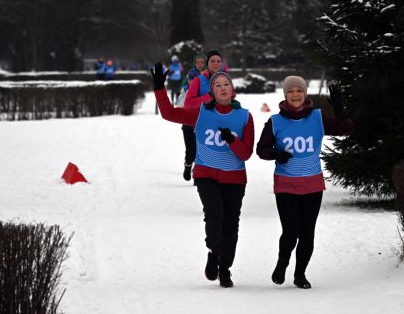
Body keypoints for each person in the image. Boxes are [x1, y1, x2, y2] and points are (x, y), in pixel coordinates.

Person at [151, 62, 254, 288]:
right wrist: (160, 88)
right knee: (215, 215)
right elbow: (169, 113)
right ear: (212, 92)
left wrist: (231, 140)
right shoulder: (201, 114)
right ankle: (214, 252)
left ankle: (225, 269)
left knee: (231, 225)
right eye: (217, 85)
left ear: (232, 90)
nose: (223, 88)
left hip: (234, 178)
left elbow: (246, 153)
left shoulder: (245, 117)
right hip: (206, 174)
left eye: (226, 84)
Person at [256, 76, 353, 289]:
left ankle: (300, 274)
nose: (295, 95)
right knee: (291, 231)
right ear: (285, 95)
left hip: (312, 184)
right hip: (286, 184)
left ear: (305, 93)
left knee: (307, 233)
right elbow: (261, 150)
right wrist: (276, 154)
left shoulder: (317, 118)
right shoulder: (275, 121)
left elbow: (345, 130)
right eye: (291, 91)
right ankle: (282, 263)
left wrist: (339, 108)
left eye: (299, 90)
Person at [178, 53, 206, 181]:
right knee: (191, 151)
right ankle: (188, 165)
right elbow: (179, 104)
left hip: (203, 123)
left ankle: (198, 174)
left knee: (201, 150)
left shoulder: (205, 86)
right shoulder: (186, 89)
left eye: (202, 62)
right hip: (188, 124)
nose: (200, 64)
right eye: (198, 62)